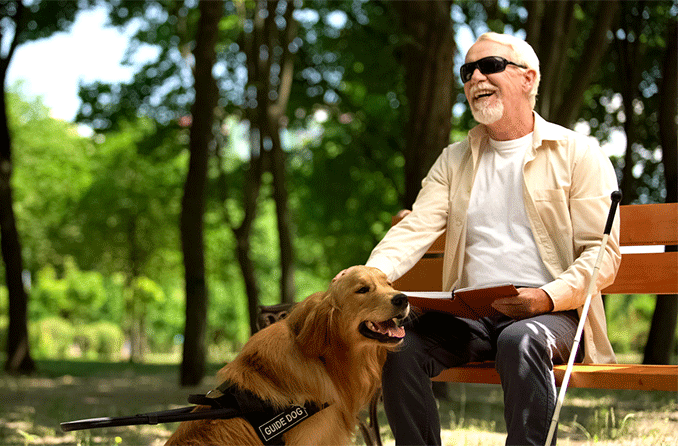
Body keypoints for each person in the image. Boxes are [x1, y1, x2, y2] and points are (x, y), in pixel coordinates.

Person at [334, 32, 621, 446]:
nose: (474, 78)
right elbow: (416, 227)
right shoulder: (454, 159)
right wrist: (371, 273)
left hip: (553, 315)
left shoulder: (579, 153)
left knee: (519, 338)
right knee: (400, 345)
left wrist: (545, 297)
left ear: (528, 78)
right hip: (471, 317)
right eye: (467, 71)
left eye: (489, 66)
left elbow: (602, 254)